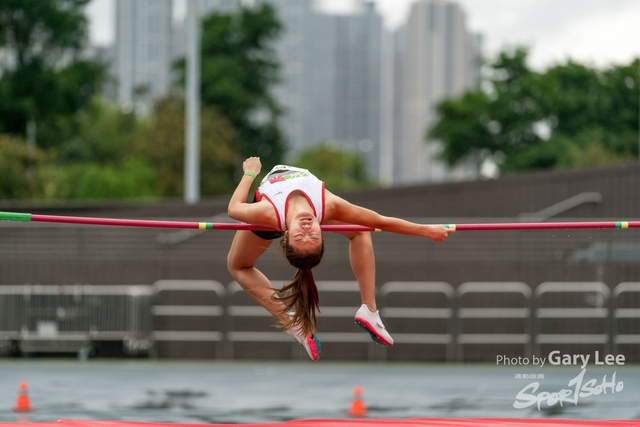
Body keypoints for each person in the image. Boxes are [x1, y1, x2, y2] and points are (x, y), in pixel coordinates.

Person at [227, 157, 454, 361]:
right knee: (361, 229)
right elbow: (380, 221)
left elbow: (235, 208)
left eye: (300, 235)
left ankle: (344, 314)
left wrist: (250, 172)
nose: (307, 227)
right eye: (313, 235)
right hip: (292, 217)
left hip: (273, 218)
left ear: (286, 235)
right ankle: (361, 312)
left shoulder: (267, 212)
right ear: (322, 230)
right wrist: (426, 230)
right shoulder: (328, 205)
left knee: (237, 266)